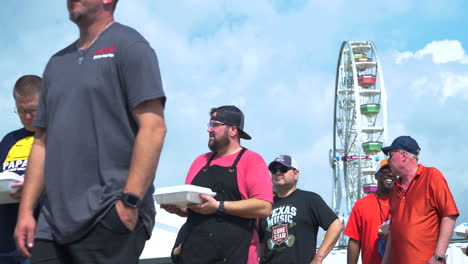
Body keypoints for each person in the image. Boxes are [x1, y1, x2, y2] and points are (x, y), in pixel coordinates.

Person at [14, 0, 166, 263]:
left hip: (108, 214)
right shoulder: (56, 65)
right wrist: (26, 210)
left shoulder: (130, 47)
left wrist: (129, 202)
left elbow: (153, 128)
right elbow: (41, 142)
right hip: (52, 225)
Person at [161, 105, 273, 264]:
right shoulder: (200, 161)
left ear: (233, 130)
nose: (209, 130)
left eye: (215, 124)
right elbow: (192, 209)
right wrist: (179, 209)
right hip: (194, 252)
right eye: (209, 124)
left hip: (235, 254)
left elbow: (264, 207)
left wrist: (218, 206)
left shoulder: (252, 160)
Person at [380, 136, 459, 264]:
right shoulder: (395, 189)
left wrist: (438, 257)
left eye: (391, 155)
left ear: (404, 155)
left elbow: (449, 215)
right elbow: (393, 231)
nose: (388, 160)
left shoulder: (432, 176)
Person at [258, 155, 343, 264]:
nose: (278, 173)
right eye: (274, 170)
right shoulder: (266, 205)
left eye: (283, 169)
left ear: (296, 174)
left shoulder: (310, 199)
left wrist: (319, 258)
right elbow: (260, 240)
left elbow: (336, 225)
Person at [0, 75, 42, 264]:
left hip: (44, 242)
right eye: (21, 110)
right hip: (7, 246)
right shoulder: (9, 140)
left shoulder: (61, 136)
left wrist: (36, 185)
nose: (27, 117)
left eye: (32, 110)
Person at [344, 159, 396, 264]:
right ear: (376, 176)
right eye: (385, 170)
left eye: (393, 171)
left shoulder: (404, 203)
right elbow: (354, 241)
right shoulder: (361, 205)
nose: (390, 173)